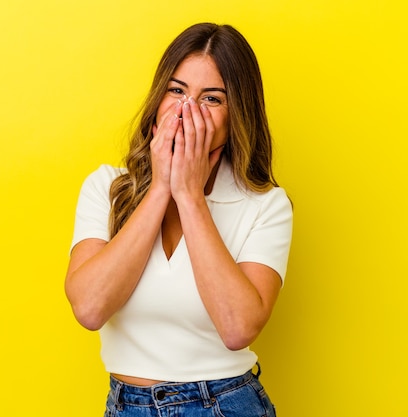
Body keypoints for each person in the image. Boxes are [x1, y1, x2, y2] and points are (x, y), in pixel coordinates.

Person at [65, 22, 292, 417]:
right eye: (177, 91)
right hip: (126, 406)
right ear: (158, 100)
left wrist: (189, 197)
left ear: (237, 113)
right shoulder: (105, 187)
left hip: (225, 405)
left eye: (212, 99)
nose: (188, 110)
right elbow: (89, 307)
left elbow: (238, 328)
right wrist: (160, 190)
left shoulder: (266, 206)